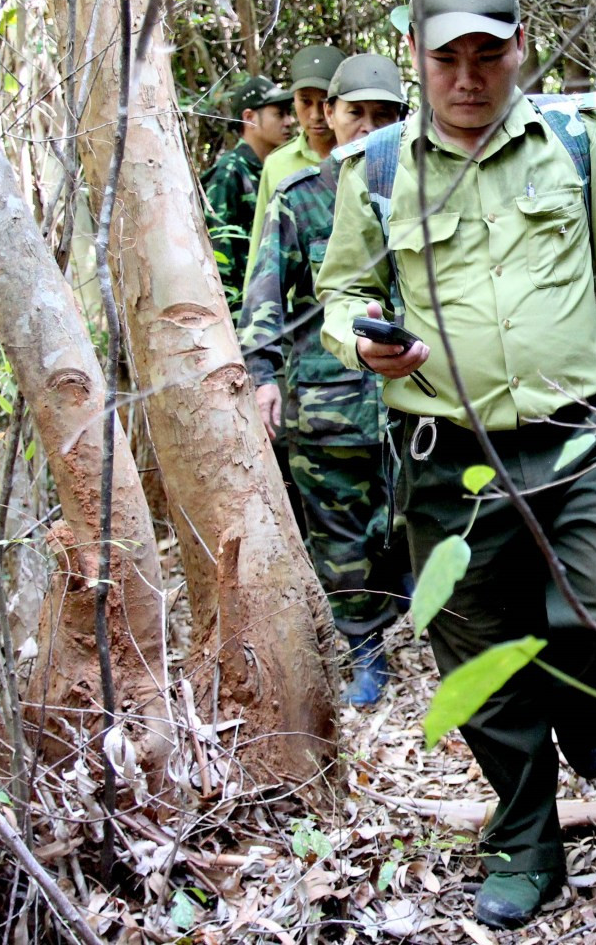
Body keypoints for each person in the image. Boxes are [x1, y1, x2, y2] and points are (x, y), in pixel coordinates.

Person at [315, 0, 596, 929]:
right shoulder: (377, 168)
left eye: (487, 55)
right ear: (414, 55)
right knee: (480, 659)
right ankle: (526, 841)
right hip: (446, 455)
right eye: (446, 58)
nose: (467, 78)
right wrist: (363, 341)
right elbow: (341, 292)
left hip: (580, 434)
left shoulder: (572, 142)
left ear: (519, 48)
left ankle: (578, 699)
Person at [239, 54, 412, 707]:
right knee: (339, 541)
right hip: (326, 404)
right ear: (330, 117)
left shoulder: (424, 189)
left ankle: (415, 612)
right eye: (355, 113)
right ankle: (365, 649)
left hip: (413, 402)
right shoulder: (299, 197)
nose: (367, 128)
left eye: (383, 116)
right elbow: (264, 296)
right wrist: (262, 376)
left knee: (406, 522)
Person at [244, 44, 347, 298]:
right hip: (299, 310)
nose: (316, 115)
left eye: (324, 102)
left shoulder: (360, 157)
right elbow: (261, 249)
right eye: (305, 102)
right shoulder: (278, 164)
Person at [201, 73, 292, 309]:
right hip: (242, 308)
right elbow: (219, 253)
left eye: (289, 113)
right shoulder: (230, 172)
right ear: (249, 118)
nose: (289, 121)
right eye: (279, 114)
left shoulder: (273, 170)